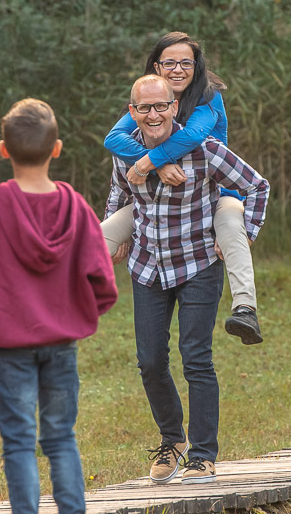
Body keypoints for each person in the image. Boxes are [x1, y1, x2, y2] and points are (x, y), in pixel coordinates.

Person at [0, 99, 119, 514]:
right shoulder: (74, 204)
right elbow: (102, 279)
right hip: (61, 345)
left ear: (3, 150)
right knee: (61, 439)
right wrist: (76, 315)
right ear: (56, 148)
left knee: (18, 443)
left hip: (9, 346)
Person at [106, 75, 269, 485]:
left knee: (196, 357)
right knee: (149, 361)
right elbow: (118, 193)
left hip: (197, 263)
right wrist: (117, 232)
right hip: (147, 266)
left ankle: (202, 454)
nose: (153, 114)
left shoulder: (206, 150)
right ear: (132, 113)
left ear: (175, 108)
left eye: (161, 106)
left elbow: (257, 186)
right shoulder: (125, 154)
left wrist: (242, 233)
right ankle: (171, 439)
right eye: (144, 108)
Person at [102, 31, 264, 345]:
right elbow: (113, 140)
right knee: (97, 236)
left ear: (196, 66)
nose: (177, 69)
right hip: (154, 201)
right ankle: (55, 302)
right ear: (156, 67)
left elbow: (191, 138)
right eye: (169, 63)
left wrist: (149, 163)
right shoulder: (147, 100)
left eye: (186, 63)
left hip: (213, 193)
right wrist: (156, 163)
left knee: (233, 226)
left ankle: (245, 309)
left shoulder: (208, 97)